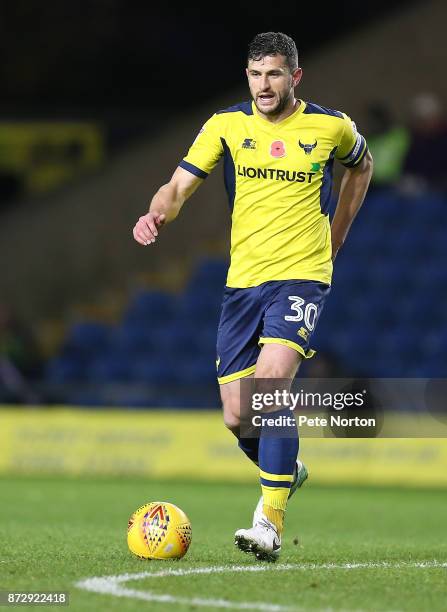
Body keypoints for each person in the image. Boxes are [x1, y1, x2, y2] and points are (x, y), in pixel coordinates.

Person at [133, 32, 373, 561]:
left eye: (274, 74)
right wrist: (156, 214)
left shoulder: (331, 126)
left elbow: (363, 164)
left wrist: (338, 232)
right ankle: (286, 469)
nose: (264, 85)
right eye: (255, 74)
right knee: (238, 417)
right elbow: (176, 187)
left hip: (302, 275)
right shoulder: (225, 126)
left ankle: (269, 521)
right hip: (243, 283)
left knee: (270, 386)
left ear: (295, 77)